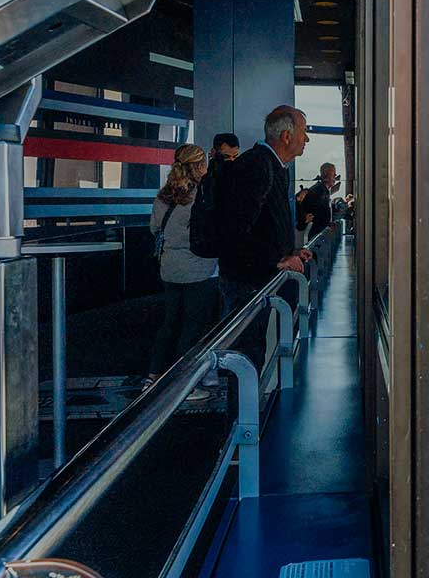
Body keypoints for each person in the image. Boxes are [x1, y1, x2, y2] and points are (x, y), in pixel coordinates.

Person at [217, 105, 313, 316]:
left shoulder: (270, 165)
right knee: (245, 345)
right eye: (303, 132)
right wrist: (276, 259)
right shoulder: (257, 165)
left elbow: (265, 222)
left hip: (256, 277)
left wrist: (288, 252)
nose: (307, 139)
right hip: (246, 281)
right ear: (287, 136)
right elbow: (234, 228)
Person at [146, 144, 220, 395]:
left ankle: (154, 376)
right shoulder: (201, 195)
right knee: (193, 327)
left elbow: (154, 229)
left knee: (170, 323)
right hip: (197, 269)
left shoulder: (163, 195)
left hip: (169, 268)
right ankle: (183, 384)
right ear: (199, 166)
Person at [296, 162, 340, 239]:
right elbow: (316, 216)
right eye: (333, 173)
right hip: (316, 237)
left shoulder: (322, 190)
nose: (335, 176)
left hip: (319, 235)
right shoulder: (318, 191)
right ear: (326, 175)